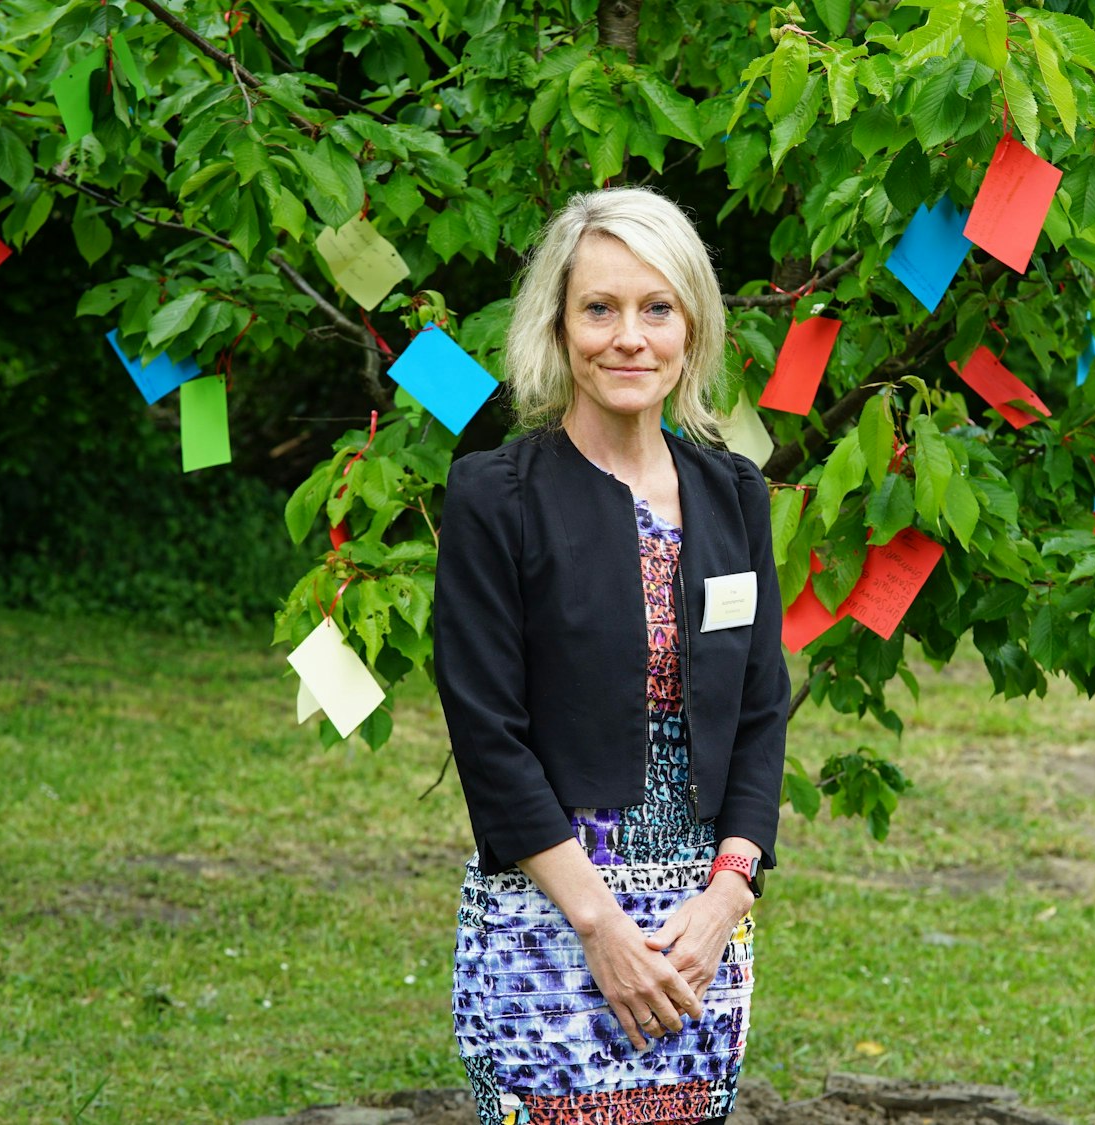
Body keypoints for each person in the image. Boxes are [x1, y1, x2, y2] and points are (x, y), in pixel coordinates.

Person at [434, 186, 791, 1125]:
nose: (628, 336)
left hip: (700, 941)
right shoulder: (494, 496)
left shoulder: (733, 493)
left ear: (692, 327)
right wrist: (598, 924)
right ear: (558, 325)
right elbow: (487, 733)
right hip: (547, 927)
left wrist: (729, 894)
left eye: (655, 307)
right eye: (600, 307)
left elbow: (761, 707)